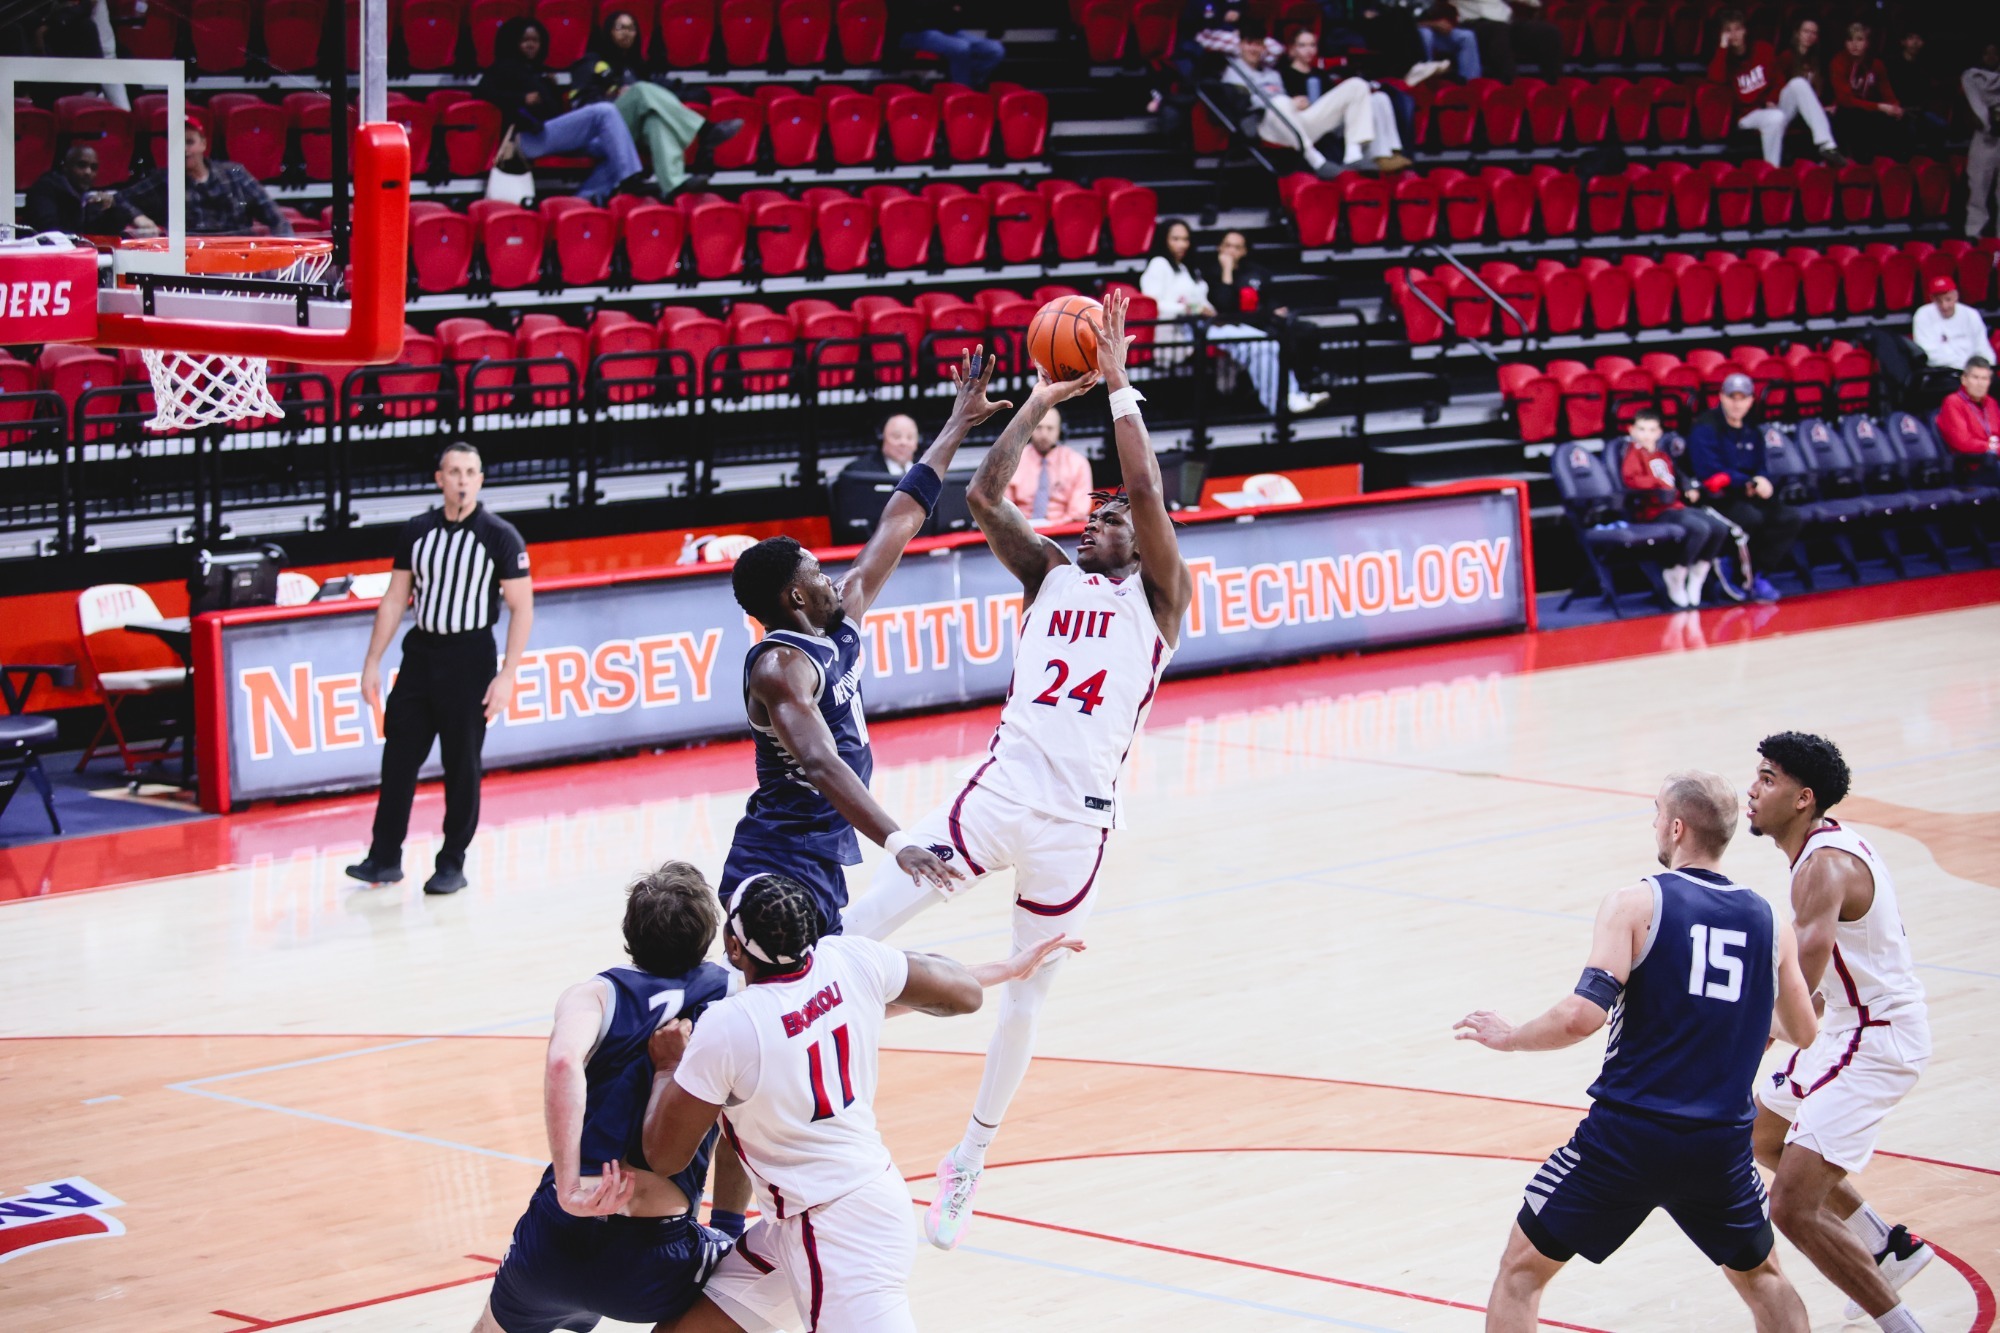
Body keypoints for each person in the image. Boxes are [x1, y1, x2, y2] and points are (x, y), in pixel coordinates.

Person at [841, 291, 1196, 1250]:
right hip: (998, 796)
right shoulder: (1049, 572)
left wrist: (1118, 385)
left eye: (1113, 519)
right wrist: (1041, 398)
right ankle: (801, 1059)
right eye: (1096, 516)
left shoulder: (1161, 599)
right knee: (857, 925)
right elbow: (988, 498)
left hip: (1077, 828)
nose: (1099, 523)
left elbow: (1151, 494)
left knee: (1030, 994)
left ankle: (970, 1159)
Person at [1456, 770, 1818, 1333]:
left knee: (1521, 1274)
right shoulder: (1770, 921)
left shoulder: (1637, 901)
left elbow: (1582, 1016)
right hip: (1719, 1144)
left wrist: (1511, 1037)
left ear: (1676, 828)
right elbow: (1803, 1030)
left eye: (1655, 813)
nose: (1653, 823)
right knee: (1764, 1279)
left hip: (1628, 1137)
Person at [637, 873, 1078, 1333]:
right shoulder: (849, 960)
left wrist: (668, 1069)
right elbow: (962, 996)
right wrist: (1003, 970)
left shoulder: (729, 1026)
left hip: (833, 1230)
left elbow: (664, 1157)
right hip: (826, 1213)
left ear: (733, 946)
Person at [720, 349, 1011, 937]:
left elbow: (900, 519)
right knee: (787, 999)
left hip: (821, 848)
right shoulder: (779, 666)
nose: (830, 575)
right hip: (779, 855)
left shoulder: (839, 617)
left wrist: (958, 423)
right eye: (814, 572)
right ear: (794, 598)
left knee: (816, 1000)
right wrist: (898, 841)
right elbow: (822, 762)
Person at [472, 862, 735, 1333]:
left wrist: (571, 1188)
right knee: (757, 1288)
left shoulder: (594, 994)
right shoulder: (732, 993)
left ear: (629, 934)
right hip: (655, 1254)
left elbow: (561, 1063)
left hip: (556, 1238)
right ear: (709, 937)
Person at [1747, 733, 1937, 1332]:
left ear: (1804, 799)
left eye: (1769, 779)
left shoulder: (1822, 868)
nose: (1753, 789)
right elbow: (1820, 988)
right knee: (1762, 1135)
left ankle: (1904, 1327)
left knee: (1792, 1208)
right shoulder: (1823, 851)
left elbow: (1800, 991)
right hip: (1854, 1026)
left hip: (1876, 1040)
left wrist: (1744, 1040)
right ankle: (1886, 1246)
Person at [346, 443, 533, 896]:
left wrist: (507, 674)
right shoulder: (416, 531)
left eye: (471, 471)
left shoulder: (500, 535)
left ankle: (452, 863)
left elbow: (522, 607)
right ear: (440, 479)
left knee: (461, 766)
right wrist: (372, 661)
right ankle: (384, 858)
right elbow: (395, 599)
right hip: (420, 656)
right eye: (454, 471)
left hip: (471, 659)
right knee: (398, 761)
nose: (463, 479)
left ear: (481, 479)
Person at [478, 17, 645, 206]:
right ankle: (631, 177)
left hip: (551, 135)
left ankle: (582, 201)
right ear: (514, 43)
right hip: (527, 138)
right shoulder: (503, 67)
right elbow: (483, 92)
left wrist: (550, 87)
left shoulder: (540, 72)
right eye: (525, 41)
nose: (531, 45)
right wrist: (521, 98)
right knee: (604, 111)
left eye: (536, 41)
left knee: (615, 146)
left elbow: (553, 111)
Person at [572, 12, 740, 200]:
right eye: (620, 28)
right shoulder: (589, 62)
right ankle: (704, 130)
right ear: (608, 31)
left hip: (626, 136)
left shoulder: (637, 67)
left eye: (631, 28)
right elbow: (579, 106)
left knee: (655, 120)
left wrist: (699, 94)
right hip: (596, 135)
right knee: (641, 91)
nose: (626, 33)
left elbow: (664, 89)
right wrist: (610, 97)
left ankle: (673, 185)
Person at [1224, 24, 1408, 177]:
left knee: (1357, 85)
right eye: (1249, 44)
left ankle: (1353, 155)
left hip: (1297, 123)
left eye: (1259, 44)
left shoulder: (1272, 73)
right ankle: (1317, 162)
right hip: (1265, 125)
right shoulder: (1233, 73)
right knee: (1280, 102)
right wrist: (1288, 103)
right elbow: (1242, 106)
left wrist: (1295, 103)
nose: (1254, 49)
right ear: (1240, 45)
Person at [1687, 372, 1799, 601]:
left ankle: (1759, 574)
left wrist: (1763, 480)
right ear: (1722, 397)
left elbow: (1760, 464)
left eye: (1742, 398)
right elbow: (1709, 471)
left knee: (1789, 517)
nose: (1737, 403)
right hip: (1717, 496)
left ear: (1750, 400)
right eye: (1732, 397)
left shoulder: (1752, 430)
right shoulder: (1705, 428)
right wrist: (1747, 482)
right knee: (1750, 519)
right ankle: (1728, 568)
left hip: (1748, 492)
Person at [1618, 409, 1741, 609]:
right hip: (1654, 511)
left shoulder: (1661, 455)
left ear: (1659, 433)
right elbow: (1631, 480)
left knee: (1718, 528)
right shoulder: (1632, 453)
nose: (1646, 435)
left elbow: (1676, 476)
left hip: (1675, 506)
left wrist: (1687, 487)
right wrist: (1656, 483)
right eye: (1642, 429)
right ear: (1632, 430)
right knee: (1699, 528)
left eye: (1651, 430)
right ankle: (1676, 571)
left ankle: (1697, 575)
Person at [1203, 229, 1327, 415]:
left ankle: (1303, 389)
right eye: (1227, 246)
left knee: (1306, 330)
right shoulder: (1211, 274)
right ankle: (1284, 398)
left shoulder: (1257, 272)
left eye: (1237, 247)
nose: (1231, 251)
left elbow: (1270, 299)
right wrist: (1227, 272)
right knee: (1274, 342)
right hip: (1235, 326)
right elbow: (1224, 306)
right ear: (1219, 248)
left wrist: (1276, 310)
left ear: (1245, 251)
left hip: (1263, 319)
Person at [1709, 9, 1844, 169]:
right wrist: (1723, 47)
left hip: (1773, 108)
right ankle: (1772, 169)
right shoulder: (1724, 59)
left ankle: (1826, 145)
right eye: (1728, 31)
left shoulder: (1763, 49)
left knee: (1798, 84)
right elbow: (1716, 79)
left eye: (1738, 29)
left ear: (1745, 30)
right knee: (1775, 117)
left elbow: (1778, 80)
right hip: (1748, 116)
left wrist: (1771, 99)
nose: (1734, 34)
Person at [111, 119, 290, 237]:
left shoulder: (235, 173)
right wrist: (138, 217)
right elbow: (118, 199)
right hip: (193, 264)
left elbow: (275, 217)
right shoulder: (163, 180)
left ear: (203, 144)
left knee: (299, 275)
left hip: (243, 256)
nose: (183, 150)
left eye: (189, 142)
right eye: (177, 144)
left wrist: (286, 253)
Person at [24, 143, 147, 236]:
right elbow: (50, 232)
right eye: (81, 165)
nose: (88, 172)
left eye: (93, 168)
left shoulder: (88, 198)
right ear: (66, 167)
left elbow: (105, 234)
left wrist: (111, 209)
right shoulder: (45, 190)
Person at [1139, 217, 1213, 365]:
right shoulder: (1159, 264)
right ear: (1163, 239)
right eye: (1175, 239)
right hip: (1172, 335)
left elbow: (1201, 300)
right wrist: (1192, 309)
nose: (1182, 245)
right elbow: (1153, 304)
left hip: (1196, 329)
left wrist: (1210, 311)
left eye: (1185, 239)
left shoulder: (1187, 268)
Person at [1829, 23, 1906, 163]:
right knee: (1855, 118)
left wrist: (1895, 106)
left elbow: (1887, 92)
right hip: (1845, 111)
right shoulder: (1838, 61)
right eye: (1850, 40)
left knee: (1900, 123)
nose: (1854, 44)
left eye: (1859, 39)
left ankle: (1892, 168)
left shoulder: (1876, 64)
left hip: (1868, 111)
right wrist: (1879, 107)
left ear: (1867, 43)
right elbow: (1845, 100)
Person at [1004, 407, 1094, 526]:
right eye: (1039, 427)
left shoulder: (1078, 463)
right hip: (1019, 533)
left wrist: (1052, 526)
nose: (1044, 434)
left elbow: (1078, 512)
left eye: (1050, 428)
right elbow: (1004, 509)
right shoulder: (1011, 461)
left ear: (1060, 431)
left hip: (1064, 535)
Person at [894, 1, 1005, 90]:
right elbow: (915, 14)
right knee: (960, 47)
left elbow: (958, 13)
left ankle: (967, 84)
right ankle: (962, 91)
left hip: (949, 32)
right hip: (915, 33)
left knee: (994, 50)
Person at [1453, 0, 1565, 84]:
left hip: (1505, 22)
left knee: (1549, 32)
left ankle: (1551, 86)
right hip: (1473, 24)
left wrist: (1535, 3)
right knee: (1498, 31)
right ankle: (1510, 85)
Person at [1937, 356, 2000, 483]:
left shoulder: (1991, 403)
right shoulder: (1953, 402)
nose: (1980, 383)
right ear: (1964, 379)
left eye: (1984, 379)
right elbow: (1963, 443)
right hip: (1972, 467)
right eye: (1975, 378)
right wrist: (1990, 447)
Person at [1964, 43, 2000, 239]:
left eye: (1995, 53)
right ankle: (1973, 234)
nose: (1991, 56)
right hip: (1984, 139)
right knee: (1978, 187)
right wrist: (1989, 123)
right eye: (1987, 53)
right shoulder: (1971, 76)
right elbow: (1975, 107)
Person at [837, 413, 919, 480]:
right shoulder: (858, 471)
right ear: (882, 438)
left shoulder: (927, 471)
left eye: (910, 437)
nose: (903, 442)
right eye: (896, 436)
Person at [1417, 1, 1481, 79]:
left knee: (1467, 36)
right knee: (1426, 34)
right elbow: (1403, 23)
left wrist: (1445, 24)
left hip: (1436, 33)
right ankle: (1424, 79)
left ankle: (1471, 84)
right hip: (1413, 34)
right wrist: (1434, 24)